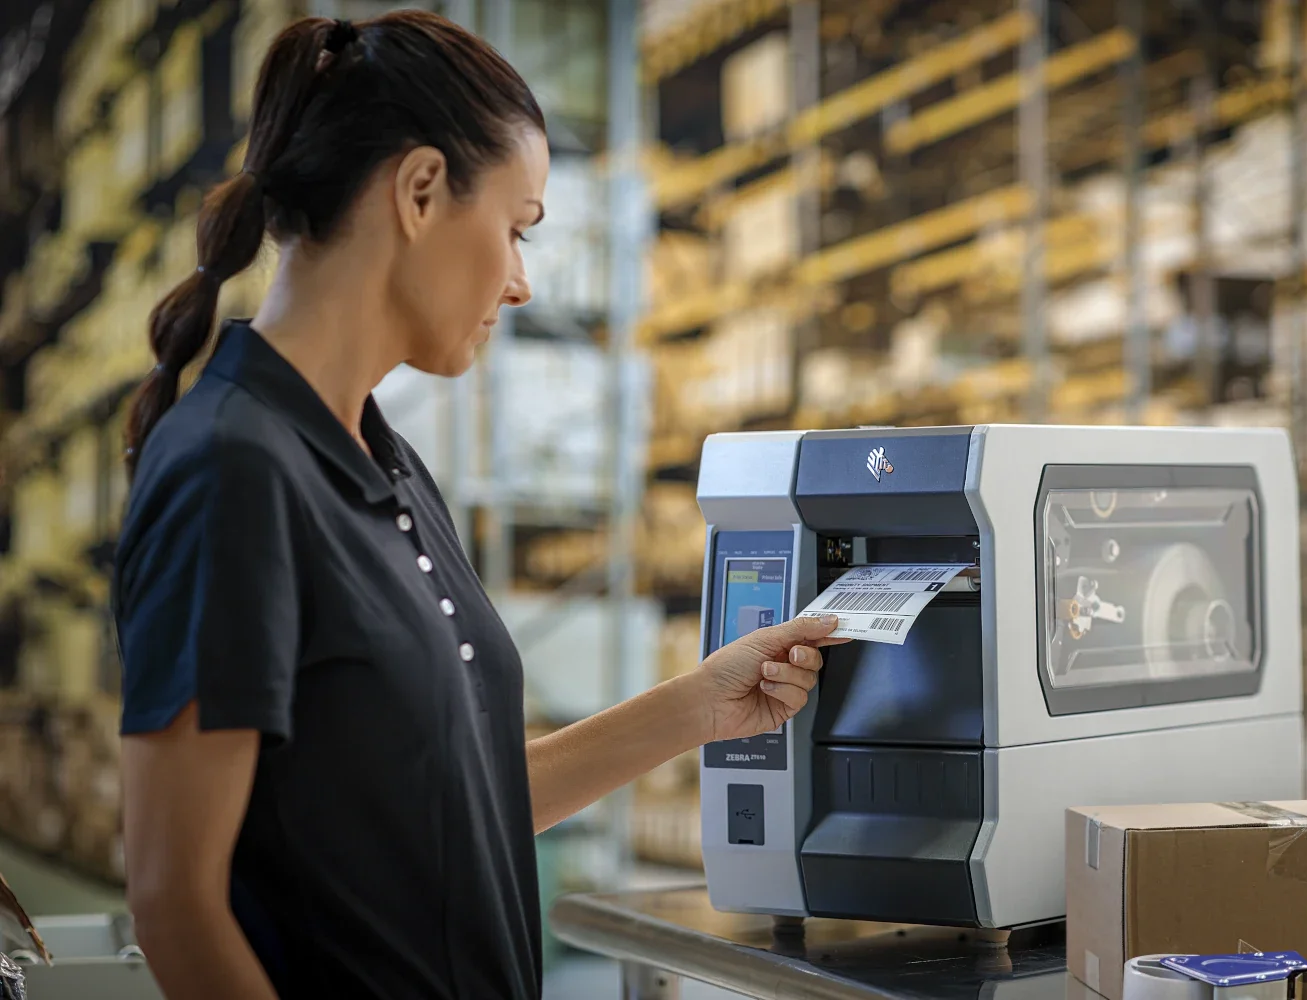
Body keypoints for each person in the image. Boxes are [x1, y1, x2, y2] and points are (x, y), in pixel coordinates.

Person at [110, 12, 844, 1000]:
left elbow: (460, 809)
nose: (522, 280)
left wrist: (699, 705)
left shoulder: (390, 466)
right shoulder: (233, 469)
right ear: (419, 190)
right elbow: (174, 900)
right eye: (516, 227)